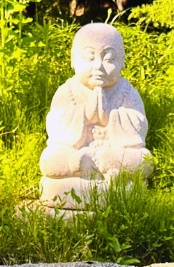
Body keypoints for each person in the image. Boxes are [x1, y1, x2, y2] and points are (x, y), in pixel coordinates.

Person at [39, 23, 152, 210]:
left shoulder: (127, 92)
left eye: (108, 58)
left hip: (113, 156)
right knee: (49, 159)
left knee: (145, 161)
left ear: (122, 61)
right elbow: (56, 125)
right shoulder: (67, 91)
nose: (98, 66)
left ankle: (111, 171)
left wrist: (110, 117)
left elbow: (139, 126)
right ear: (73, 60)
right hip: (78, 156)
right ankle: (89, 174)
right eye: (90, 58)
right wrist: (84, 113)